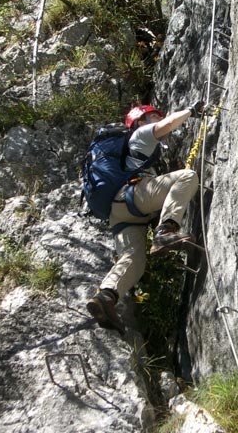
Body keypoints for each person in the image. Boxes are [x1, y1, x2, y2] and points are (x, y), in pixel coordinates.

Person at [86, 102, 203, 334]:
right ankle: (165, 232)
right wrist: (192, 111)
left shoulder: (124, 150)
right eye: (153, 117)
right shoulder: (138, 135)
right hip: (133, 196)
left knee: (134, 259)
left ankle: (106, 296)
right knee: (186, 177)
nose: (158, 119)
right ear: (140, 122)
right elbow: (167, 125)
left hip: (118, 215)